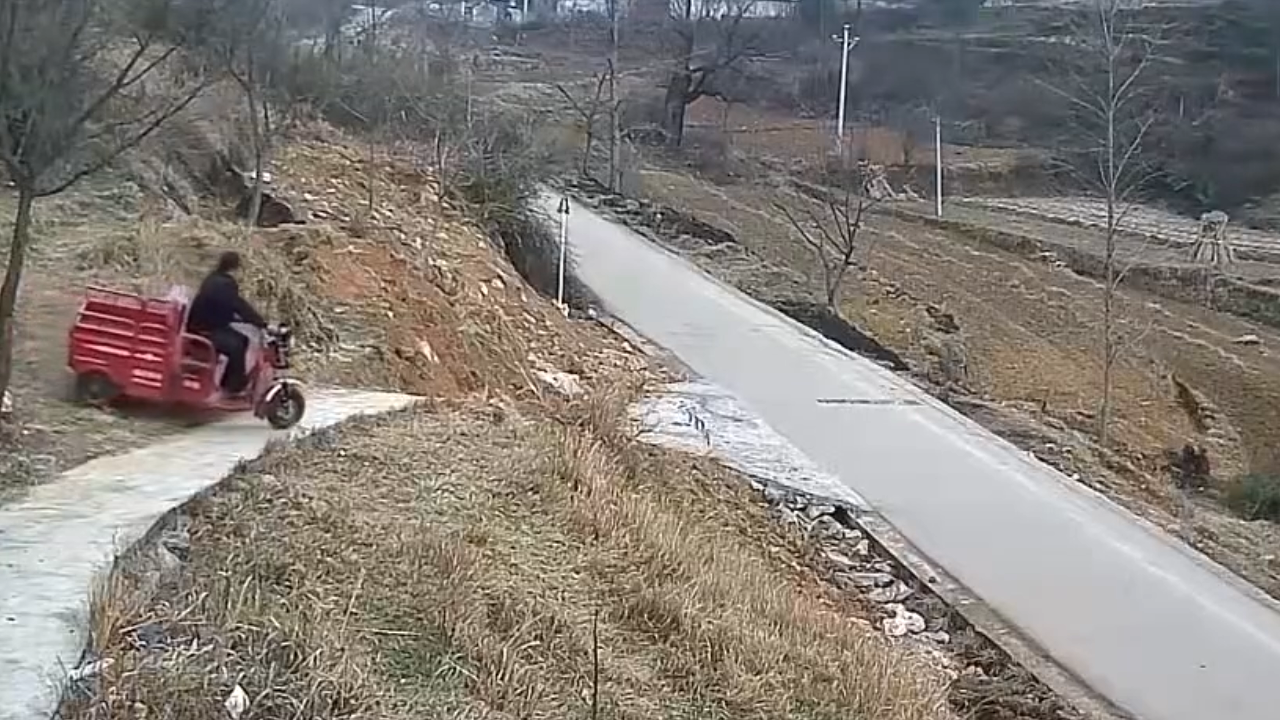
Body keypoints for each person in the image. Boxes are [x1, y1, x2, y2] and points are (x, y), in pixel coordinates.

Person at [186, 251, 267, 395]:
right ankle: (232, 387)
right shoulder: (225, 283)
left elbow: (223, 306)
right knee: (237, 345)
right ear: (235, 268)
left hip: (202, 326)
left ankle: (230, 383)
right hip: (206, 331)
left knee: (241, 340)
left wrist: (244, 318)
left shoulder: (214, 278)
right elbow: (237, 304)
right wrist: (259, 322)